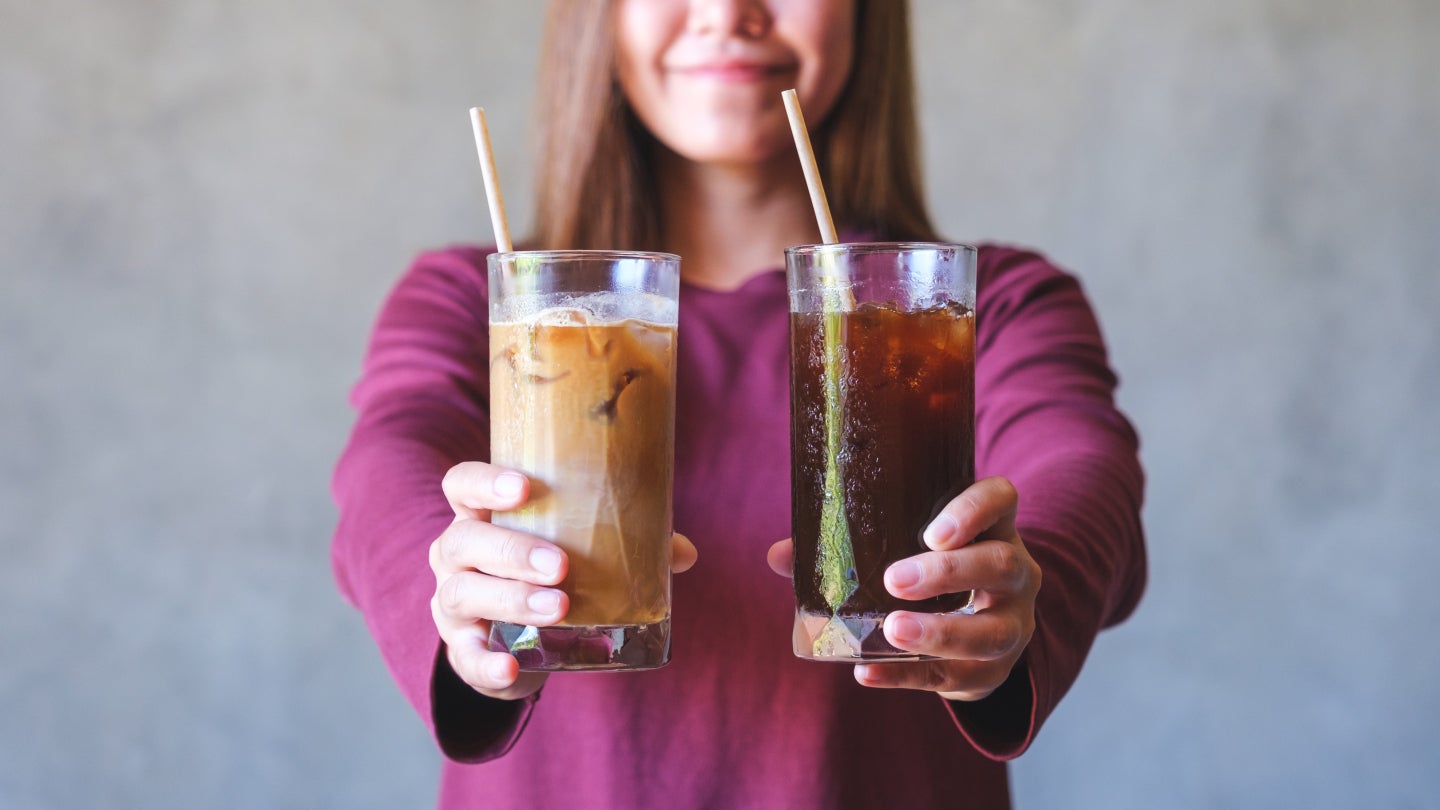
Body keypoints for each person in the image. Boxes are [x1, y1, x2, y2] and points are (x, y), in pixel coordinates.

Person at [331, 1, 1147, 807]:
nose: (729, 11)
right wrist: (462, 594)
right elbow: (387, 465)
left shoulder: (986, 301)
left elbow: (1079, 463)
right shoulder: (485, 303)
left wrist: (1011, 589)